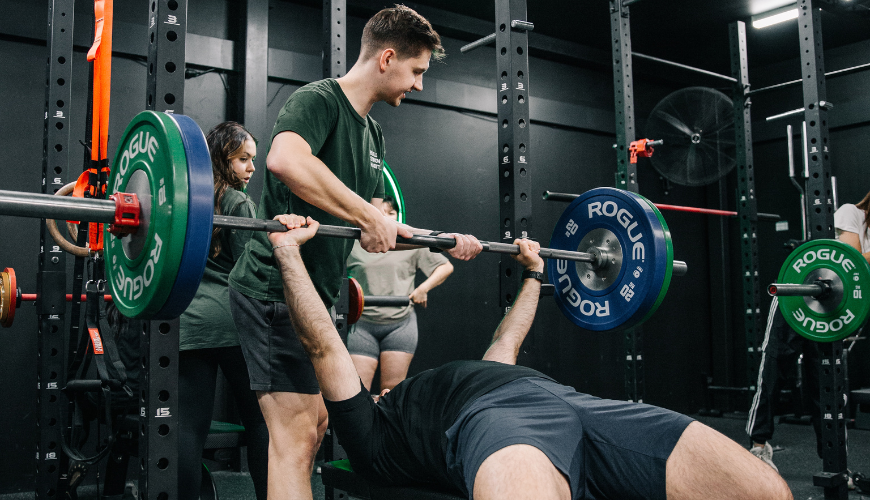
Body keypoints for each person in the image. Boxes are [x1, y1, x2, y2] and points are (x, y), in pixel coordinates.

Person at [266, 213, 792, 500]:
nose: (380, 387)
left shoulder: (470, 374)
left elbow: (507, 343)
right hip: (494, 426)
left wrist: (535, 272)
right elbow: (322, 344)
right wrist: (288, 254)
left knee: (763, 490)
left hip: (576, 404)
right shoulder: (373, 439)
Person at [226, 6, 482, 498]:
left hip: (315, 298)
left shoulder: (372, 132)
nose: (420, 85)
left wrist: (443, 239)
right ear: (388, 57)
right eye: (417, 72)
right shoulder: (319, 100)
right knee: (295, 437)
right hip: (273, 288)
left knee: (317, 425)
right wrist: (367, 216)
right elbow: (284, 159)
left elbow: (368, 218)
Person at [747, 190, 870, 473]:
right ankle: (758, 445)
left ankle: (836, 461)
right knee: (774, 369)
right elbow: (852, 260)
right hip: (798, 295)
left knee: (827, 384)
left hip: (830, 311)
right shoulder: (852, 213)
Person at [177, 122, 268, 500]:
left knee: (185, 429)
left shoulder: (185, 201)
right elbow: (256, 267)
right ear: (222, 158)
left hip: (186, 322)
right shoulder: (238, 202)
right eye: (243, 159)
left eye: (253, 160)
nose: (250, 168)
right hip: (233, 325)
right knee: (265, 424)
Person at [346, 197, 454, 391]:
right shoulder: (355, 244)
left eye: (391, 213)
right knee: (357, 390)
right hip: (362, 325)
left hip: (400, 325)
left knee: (392, 392)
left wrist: (423, 288)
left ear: (398, 216)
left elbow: (445, 267)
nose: (386, 217)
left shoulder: (410, 244)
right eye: (381, 212)